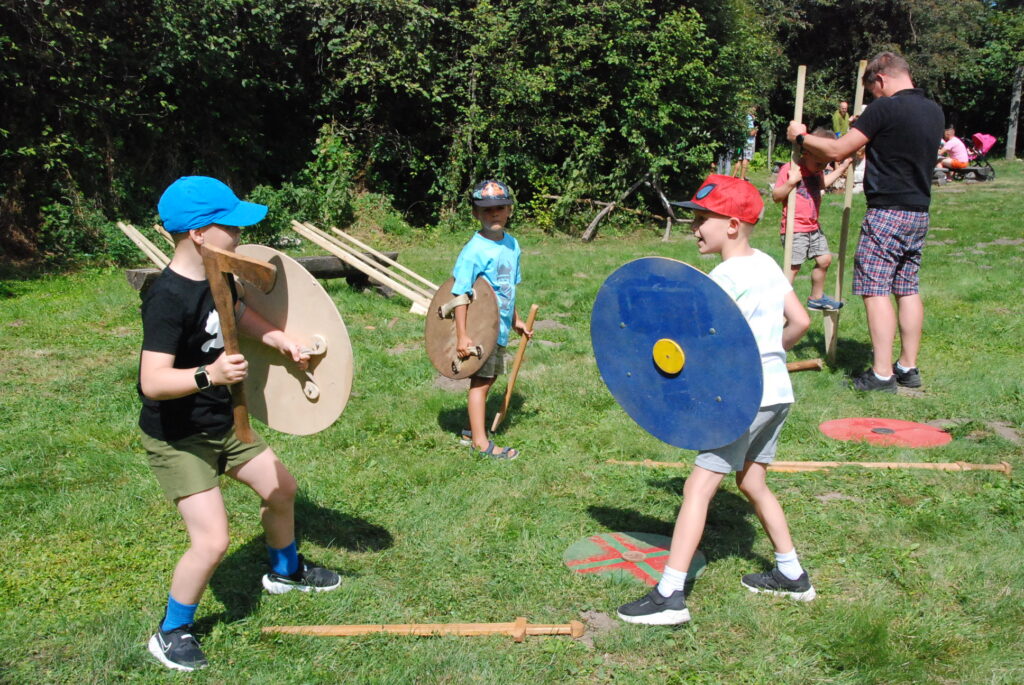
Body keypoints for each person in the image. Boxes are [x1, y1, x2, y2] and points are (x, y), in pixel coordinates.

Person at [140, 177, 341, 671]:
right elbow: (153, 381)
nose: (239, 234)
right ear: (199, 234)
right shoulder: (167, 297)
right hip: (180, 437)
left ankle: (285, 571)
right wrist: (209, 374)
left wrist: (278, 339)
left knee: (281, 490)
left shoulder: (219, 275)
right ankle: (171, 631)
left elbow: (238, 313)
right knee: (212, 541)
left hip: (226, 421)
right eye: (230, 226)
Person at [617, 175, 812, 626]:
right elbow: (800, 322)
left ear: (732, 225)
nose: (695, 227)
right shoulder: (766, 263)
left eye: (703, 218)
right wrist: (769, 356)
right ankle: (792, 575)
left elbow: (697, 348)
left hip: (741, 401)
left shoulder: (722, 279)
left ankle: (670, 596)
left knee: (697, 488)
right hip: (777, 393)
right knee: (753, 482)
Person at [787, 52, 943, 392]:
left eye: (874, 91)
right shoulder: (933, 110)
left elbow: (836, 151)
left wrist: (800, 137)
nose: (875, 97)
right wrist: (869, 126)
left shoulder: (885, 109)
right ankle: (908, 367)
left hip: (886, 212)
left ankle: (882, 374)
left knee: (875, 289)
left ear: (881, 79)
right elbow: (894, 143)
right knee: (907, 288)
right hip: (919, 211)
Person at [452, 179, 533, 459]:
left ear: (509, 210)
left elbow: (507, 288)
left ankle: (472, 430)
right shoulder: (474, 251)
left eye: (499, 208)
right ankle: (480, 442)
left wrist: (516, 320)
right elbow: (460, 294)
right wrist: (462, 336)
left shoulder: (512, 245)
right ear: (476, 213)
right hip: (481, 328)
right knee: (481, 382)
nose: (494, 213)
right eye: (486, 210)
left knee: (491, 377)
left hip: (500, 327)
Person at [773, 128, 853, 311]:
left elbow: (823, 184)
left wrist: (841, 168)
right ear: (806, 152)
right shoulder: (791, 169)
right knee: (793, 268)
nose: (822, 167)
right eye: (819, 163)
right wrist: (790, 182)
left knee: (825, 259)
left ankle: (816, 298)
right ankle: (779, 303)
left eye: (825, 164)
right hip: (795, 228)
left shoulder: (816, 171)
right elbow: (776, 196)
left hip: (813, 227)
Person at [734, 107, 757, 181]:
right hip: (748, 143)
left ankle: (733, 176)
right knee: (746, 159)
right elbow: (750, 132)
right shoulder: (749, 118)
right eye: (754, 109)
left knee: (739, 159)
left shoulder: (742, 117)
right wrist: (755, 130)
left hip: (741, 141)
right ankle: (742, 178)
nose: (754, 111)